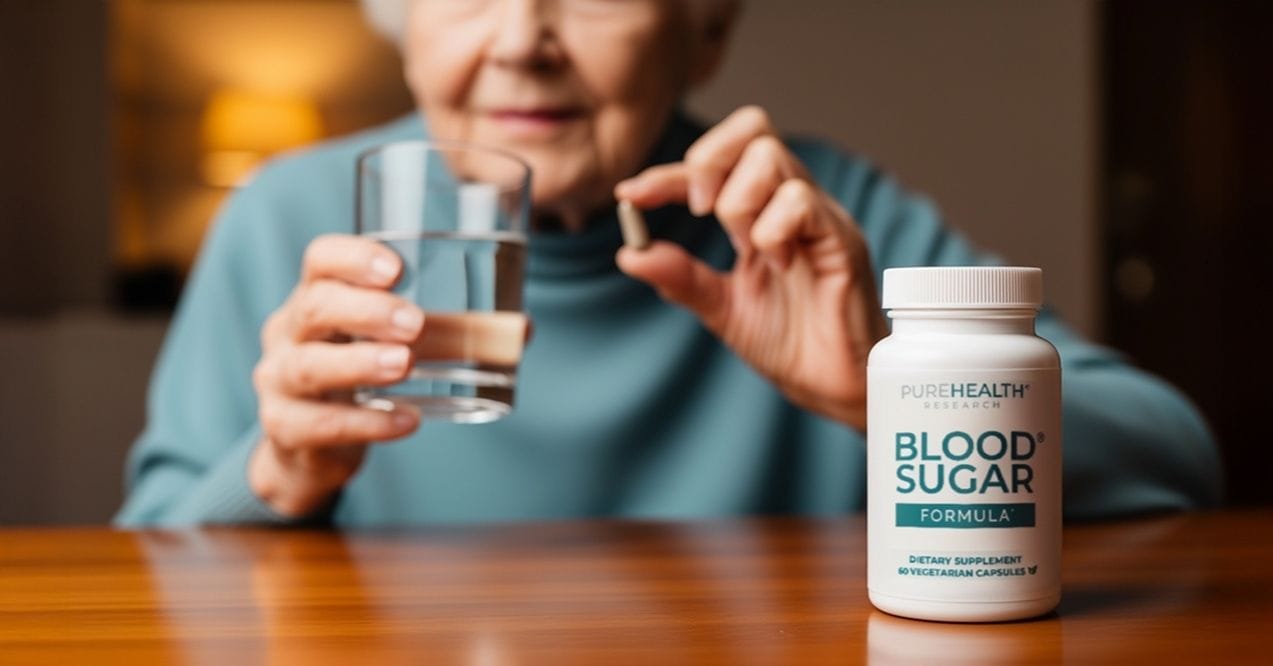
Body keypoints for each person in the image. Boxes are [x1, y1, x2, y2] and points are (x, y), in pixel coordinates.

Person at [116, 0, 1221, 527]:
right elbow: (151, 551)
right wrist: (277, 472)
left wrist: (888, 387)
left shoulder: (808, 218)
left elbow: (1175, 461)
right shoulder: (290, 217)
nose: (521, 41)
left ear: (705, 33)